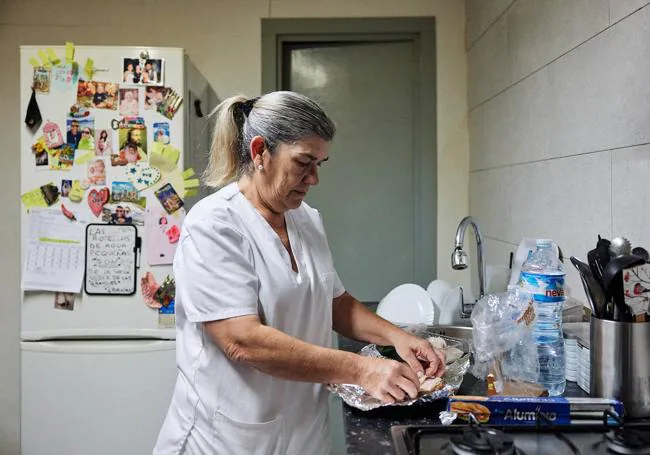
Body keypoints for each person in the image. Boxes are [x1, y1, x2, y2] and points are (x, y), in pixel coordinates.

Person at [153, 91, 446, 455]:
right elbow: (241, 340)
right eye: (304, 162)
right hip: (227, 437)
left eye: (320, 163)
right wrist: (361, 370)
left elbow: (334, 301)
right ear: (260, 152)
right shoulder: (213, 225)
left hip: (302, 432)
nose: (314, 179)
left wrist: (398, 338)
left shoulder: (306, 219)